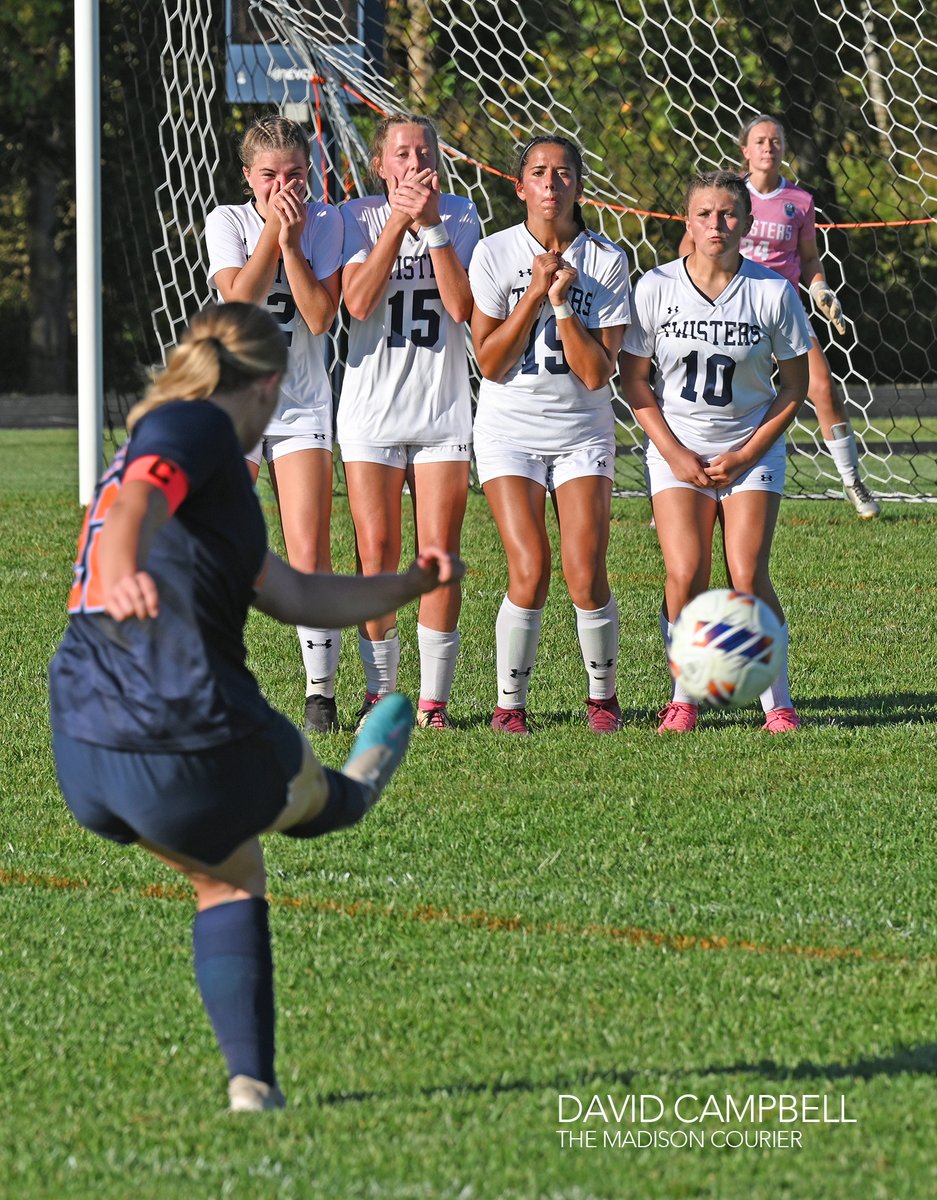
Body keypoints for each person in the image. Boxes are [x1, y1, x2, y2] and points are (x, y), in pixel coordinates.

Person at [48, 303, 464, 1112]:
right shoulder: (197, 430)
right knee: (306, 804)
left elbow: (295, 591)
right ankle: (352, 788)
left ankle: (251, 1086)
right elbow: (140, 498)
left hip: (83, 745)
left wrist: (407, 585)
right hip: (182, 730)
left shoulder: (206, 475)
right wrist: (125, 563)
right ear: (273, 385)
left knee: (228, 876)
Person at [620, 170, 811, 734]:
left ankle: (777, 702)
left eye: (729, 214)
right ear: (688, 220)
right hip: (678, 448)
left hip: (750, 448)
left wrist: (748, 454)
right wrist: (676, 453)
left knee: (747, 574)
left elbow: (794, 387)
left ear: (749, 224)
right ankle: (685, 696)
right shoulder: (655, 287)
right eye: (705, 213)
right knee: (686, 572)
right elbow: (635, 382)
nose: (717, 224)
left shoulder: (774, 292)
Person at [469, 135, 631, 734]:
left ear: (579, 187)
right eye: (538, 171)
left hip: (581, 431)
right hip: (509, 430)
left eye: (563, 173)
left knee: (585, 572)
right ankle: (509, 706)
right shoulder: (492, 252)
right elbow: (489, 361)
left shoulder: (607, 261)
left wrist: (563, 306)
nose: (551, 182)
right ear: (520, 186)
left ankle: (602, 698)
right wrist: (535, 292)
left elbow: (595, 374)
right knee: (530, 568)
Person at [205, 116, 346, 734]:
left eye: (294, 175)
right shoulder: (228, 222)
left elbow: (318, 318)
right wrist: (271, 233)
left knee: (308, 551)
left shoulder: (328, 223)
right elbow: (238, 302)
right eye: (269, 176)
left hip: (302, 405)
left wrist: (292, 244)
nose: (283, 187)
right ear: (248, 178)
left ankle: (320, 695)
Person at [338, 114, 479, 731]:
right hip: (371, 411)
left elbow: (464, 307)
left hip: (442, 408)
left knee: (437, 555)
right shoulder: (354, 217)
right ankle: (380, 691)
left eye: (425, 149)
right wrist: (399, 222)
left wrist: (433, 229)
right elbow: (358, 302)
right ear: (380, 165)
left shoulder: (463, 213)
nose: (416, 160)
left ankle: (433, 702)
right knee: (377, 555)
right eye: (402, 152)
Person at [679, 115, 879, 519]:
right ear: (745, 151)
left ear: (783, 150)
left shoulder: (800, 202)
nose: (768, 147)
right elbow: (689, 249)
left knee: (821, 389)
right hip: (729, 310)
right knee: (712, 397)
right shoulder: (727, 198)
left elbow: (809, 259)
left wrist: (821, 289)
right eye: (760, 140)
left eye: (775, 140)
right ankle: (683, 485)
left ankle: (851, 480)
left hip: (781, 310)